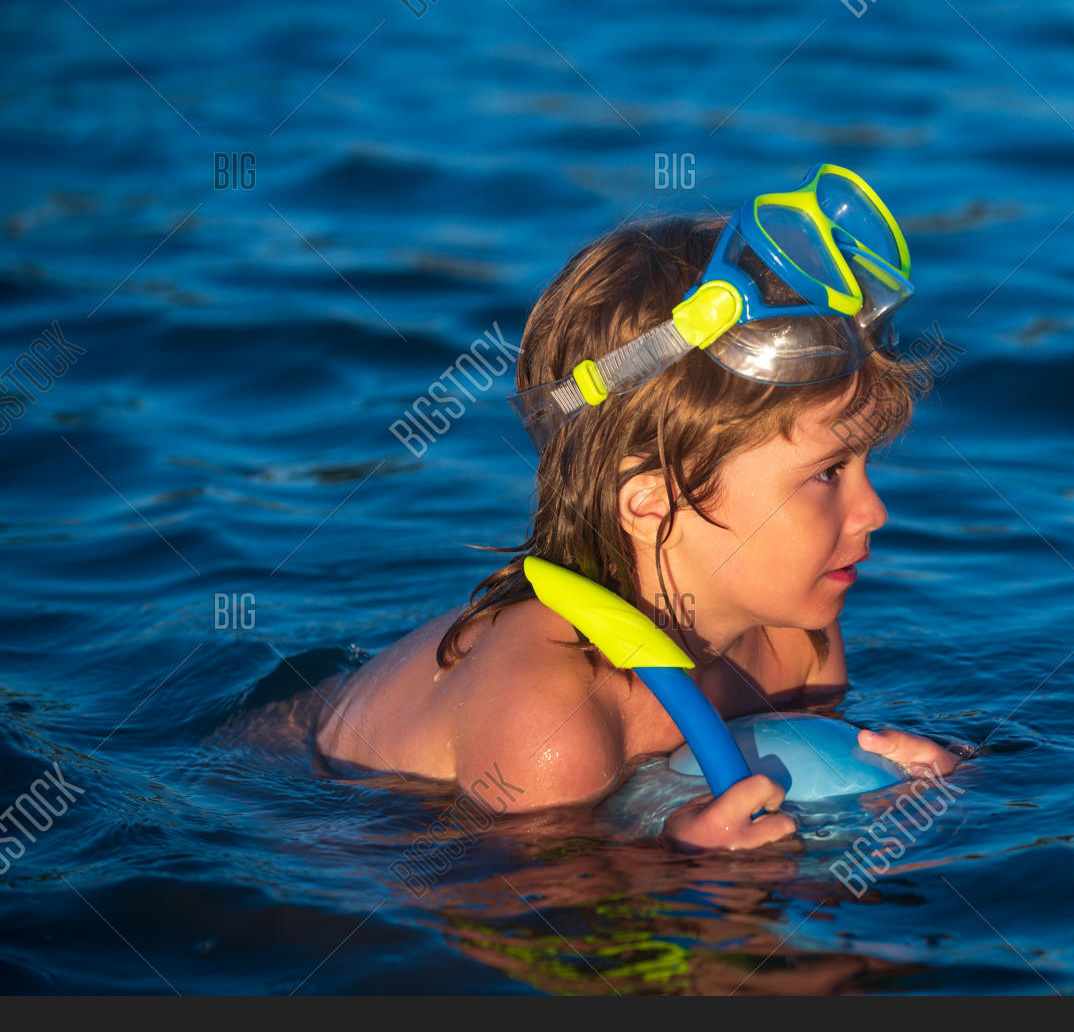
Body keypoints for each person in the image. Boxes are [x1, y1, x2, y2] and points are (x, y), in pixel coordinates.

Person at [316, 165, 959, 850]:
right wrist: (685, 868)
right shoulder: (553, 720)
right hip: (320, 810)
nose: (875, 511)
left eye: (863, 463)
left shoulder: (798, 641)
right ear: (652, 495)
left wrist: (932, 784)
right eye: (828, 472)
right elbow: (515, 921)